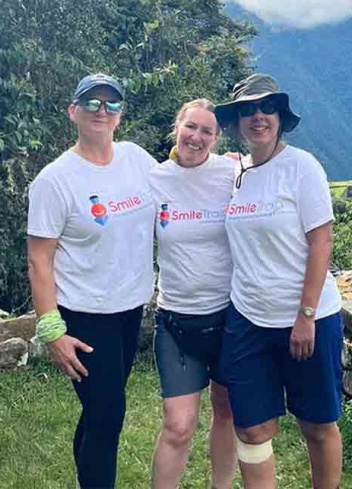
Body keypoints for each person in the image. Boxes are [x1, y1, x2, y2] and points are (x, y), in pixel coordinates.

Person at [26, 73, 157, 489]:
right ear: (73, 112)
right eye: (93, 103)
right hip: (84, 314)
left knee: (100, 410)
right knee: (108, 414)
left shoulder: (136, 158)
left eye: (112, 105)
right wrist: (52, 330)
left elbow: (179, 183)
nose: (103, 111)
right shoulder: (55, 179)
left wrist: (226, 166)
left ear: (120, 115)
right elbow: (39, 258)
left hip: (129, 309)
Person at [215, 74, 343, 489]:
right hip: (249, 319)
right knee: (251, 428)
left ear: (280, 117)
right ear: (235, 122)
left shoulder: (302, 167)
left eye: (267, 108)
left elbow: (321, 241)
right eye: (248, 110)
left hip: (308, 318)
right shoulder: (238, 173)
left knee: (317, 424)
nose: (258, 116)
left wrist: (305, 314)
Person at [148, 99, 237, 489]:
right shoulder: (154, 179)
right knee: (178, 425)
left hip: (229, 316)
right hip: (176, 320)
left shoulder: (232, 172)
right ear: (176, 128)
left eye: (207, 131)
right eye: (191, 127)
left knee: (227, 410)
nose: (196, 137)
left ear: (216, 139)